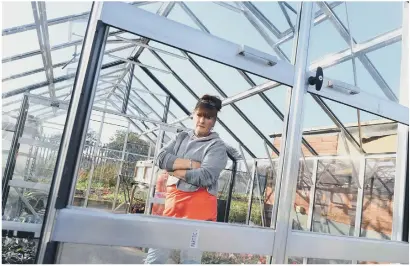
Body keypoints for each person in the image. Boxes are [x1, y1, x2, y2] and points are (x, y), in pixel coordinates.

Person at [144, 95, 228, 264]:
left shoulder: (216, 146)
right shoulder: (181, 137)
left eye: (208, 117)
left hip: (198, 213)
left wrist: (173, 170)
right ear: (193, 114)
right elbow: (160, 158)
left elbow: (205, 176)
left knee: (190, 259)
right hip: (173, 207)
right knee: (155, 256)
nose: (202, 120)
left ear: (214, 121)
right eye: (200, 115)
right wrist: (191, 164)